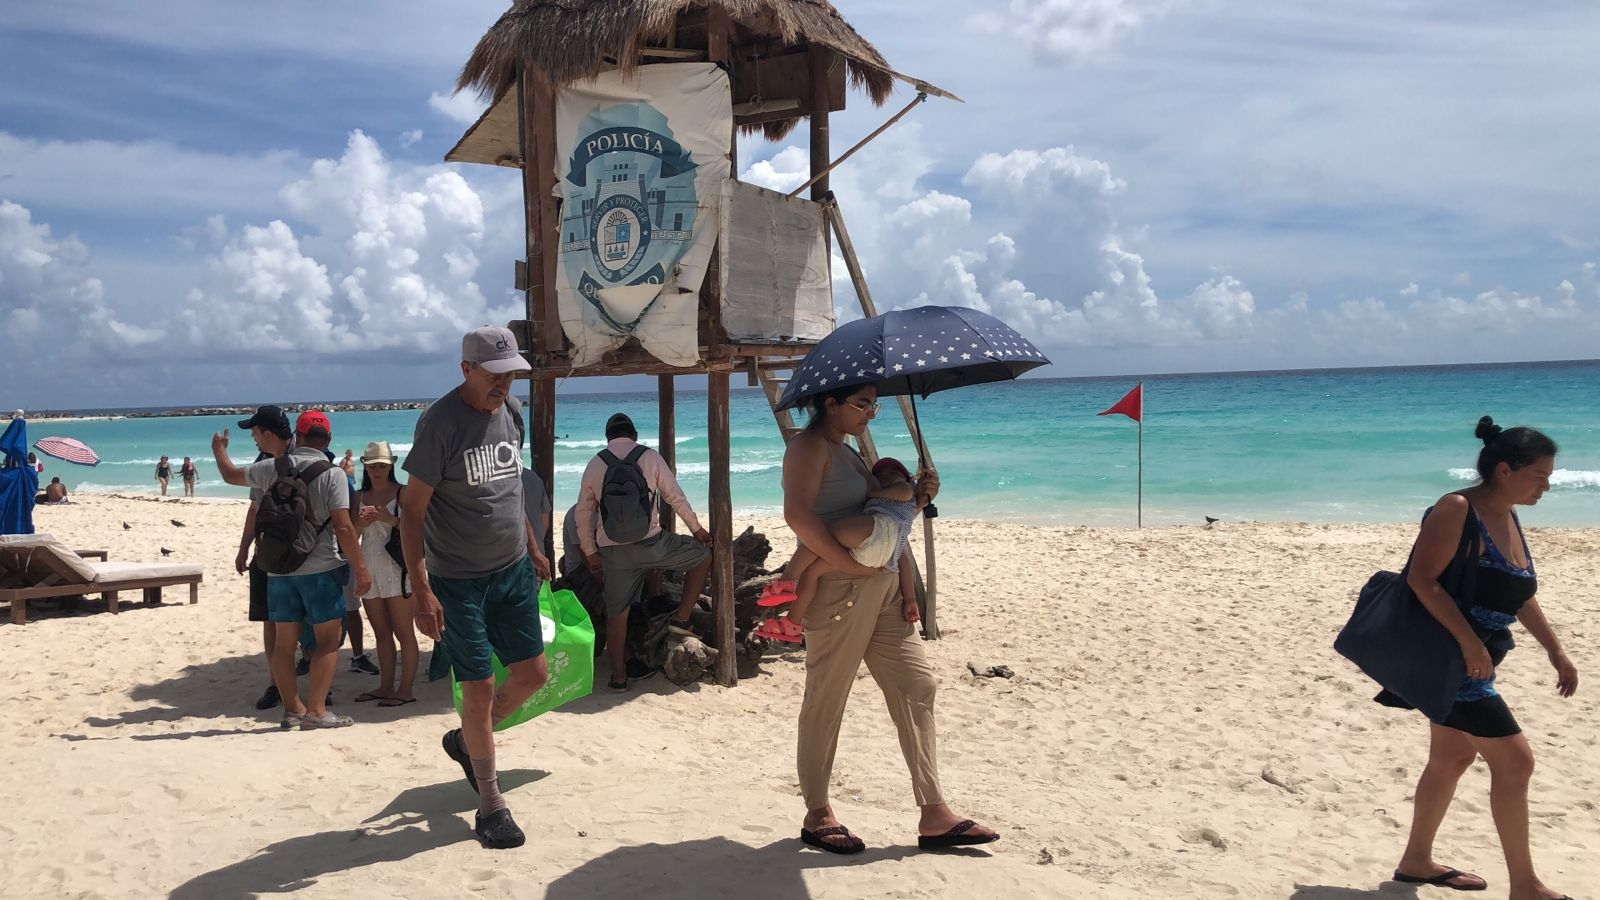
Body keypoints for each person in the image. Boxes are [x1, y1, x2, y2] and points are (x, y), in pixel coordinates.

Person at [782, 383, 997, 855]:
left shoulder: (850, 452)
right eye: (862, 404)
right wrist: (846, 562)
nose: (871, 414)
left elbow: (880, 515)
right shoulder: (809, 447)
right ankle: (817, 812)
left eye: (874, 404)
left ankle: (935, 814)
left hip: (880, 591)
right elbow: (797, 516)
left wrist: (917, 498)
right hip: (839, 589)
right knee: (827, 698)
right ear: (830, 403)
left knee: (917, 685)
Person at [1385, 417, 1576, 897]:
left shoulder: (1507, 513)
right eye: (1540, 476)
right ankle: (1525, 886)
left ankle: (1416, 861)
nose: (1546, 487)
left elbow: (1516, 591)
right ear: (1506, 470)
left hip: (1476, 660)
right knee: (1516, 763)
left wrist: (1555, 649)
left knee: (1450, 758)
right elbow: (1421, 579)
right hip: (1452, 663)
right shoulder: (1456, 509)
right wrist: (1470, 643)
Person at [401, 325, 553, 849]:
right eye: (495, 374)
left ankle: (468, 742)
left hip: (511, 568)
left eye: (511, 373)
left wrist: (532, 544)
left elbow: (510, 490)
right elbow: (411, 512)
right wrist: (421, 590)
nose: (505, 383)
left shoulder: (511, 414)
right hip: (458, 579)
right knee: (480, 686)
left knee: (533, 674)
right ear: (466, 370)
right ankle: (490, 801)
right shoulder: (439, 424)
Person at [213, 408, 371, 729]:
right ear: (328, 439)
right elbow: (342, 526)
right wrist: (361, 568)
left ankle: (292, 709)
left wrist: (219, 449)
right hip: (320, 570)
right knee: (326, 643)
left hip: (279, 572)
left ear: (298, 437)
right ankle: (317, 711)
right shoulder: (334, 473)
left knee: (284, 645)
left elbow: (230, 476)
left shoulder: (270, 467)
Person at [575, 412, 711, 692]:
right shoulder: (649, 457)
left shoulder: (595, 463)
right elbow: (675, 496)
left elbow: (583, 513)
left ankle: (618, 677)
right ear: (634, 435)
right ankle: (681, 618)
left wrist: (590, 551)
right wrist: (697, 529)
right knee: (702, 558)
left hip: (613, 551)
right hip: (652, 544)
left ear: (607, 438)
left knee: (617, 614)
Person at [757, 456, 924, 643]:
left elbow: (904, 492)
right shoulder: (898, 509)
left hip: (879, 531)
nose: (887, 475)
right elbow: (903, 561)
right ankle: (791, 623)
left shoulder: (905, 491)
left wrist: (873, 491)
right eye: (881, 475)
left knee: (819, 537)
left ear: (908, 478)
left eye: (894, 472)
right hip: (880, 555)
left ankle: (786, 580)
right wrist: (910, 598)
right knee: (812, 572)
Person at [351, 441, 418, 708]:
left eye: (381, 466)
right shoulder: (358, 497)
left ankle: (405, 689)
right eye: (372, 466)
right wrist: (361, 522)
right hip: (368, 565)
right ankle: (386, 685)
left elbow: (416, 528)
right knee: (381, 632)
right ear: (365, 468)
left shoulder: (402, 493)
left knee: (404, 632)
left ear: (390, 466)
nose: (377, 471)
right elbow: (351, 535)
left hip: (396, 568)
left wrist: (390, 520)